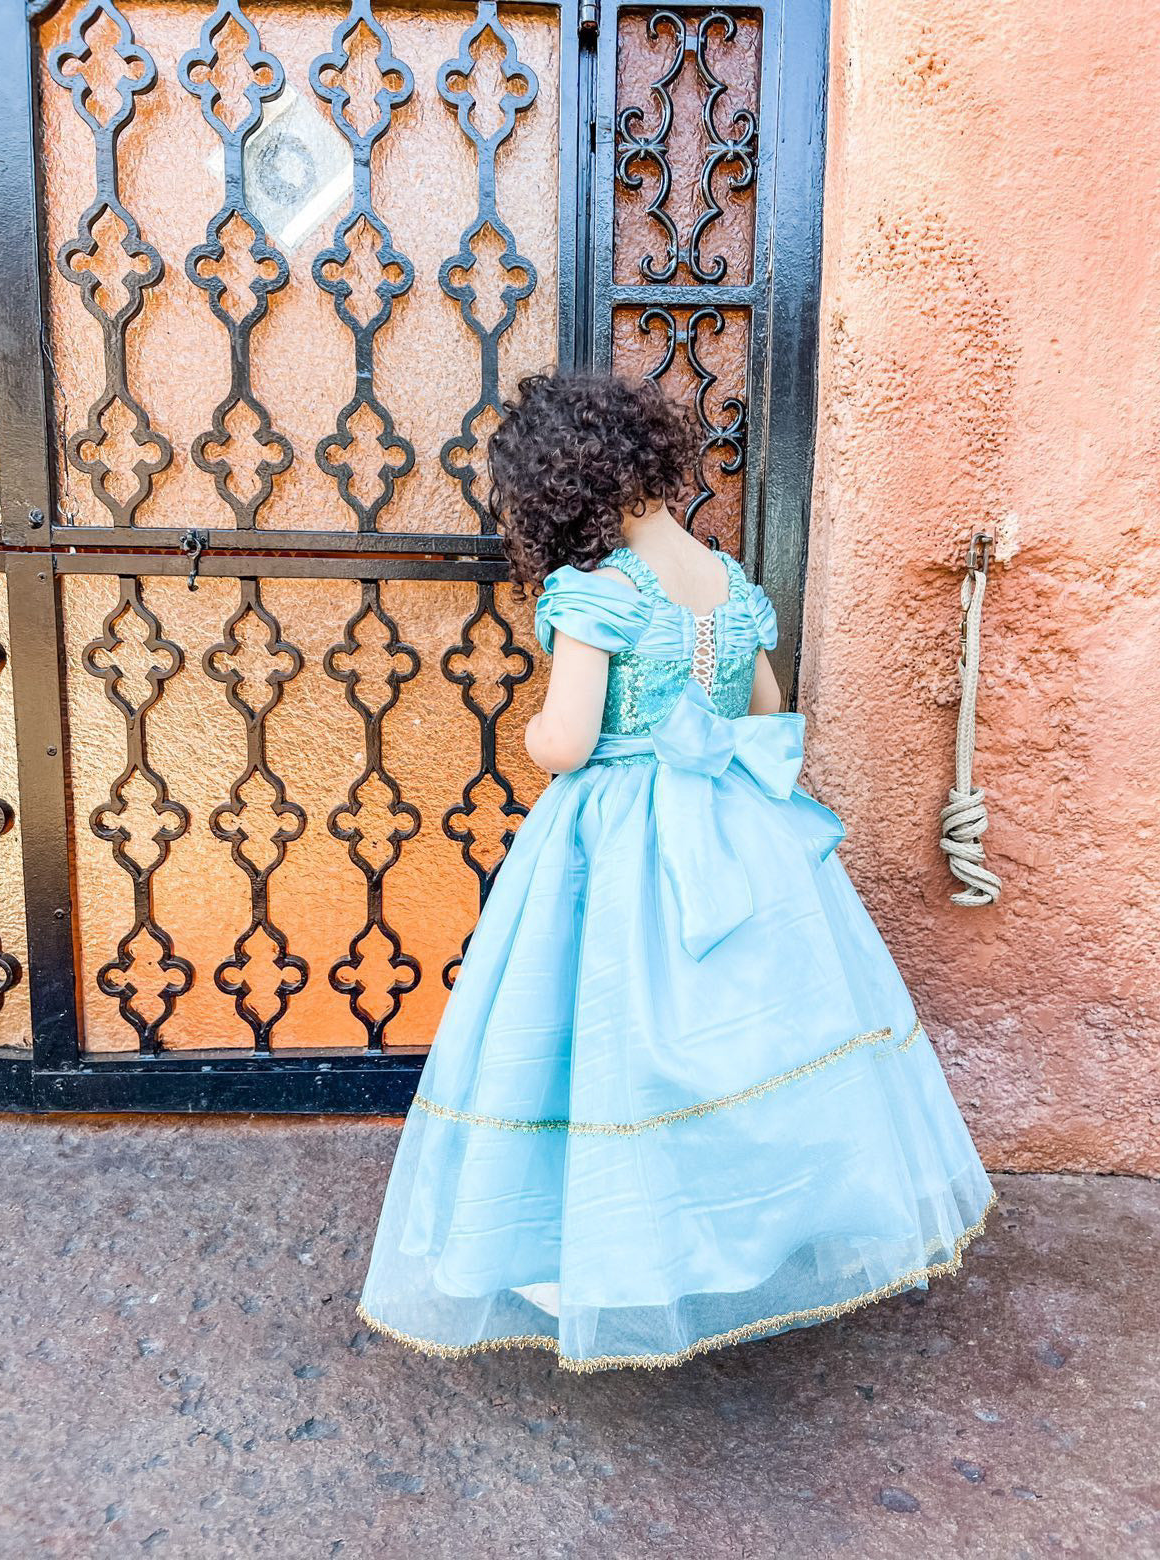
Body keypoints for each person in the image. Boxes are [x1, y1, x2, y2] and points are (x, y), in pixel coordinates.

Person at [357, 371, 994, 1373]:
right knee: (737, 1029)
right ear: (649, 461)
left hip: (615, 835)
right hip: (737, 827)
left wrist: (534, 728)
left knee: (604, 1034)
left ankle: (610, 1249)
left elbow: (566, 741)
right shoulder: (733, 584)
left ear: (562, 483)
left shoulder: (594, 593)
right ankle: (738, 1225)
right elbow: (764, 709)